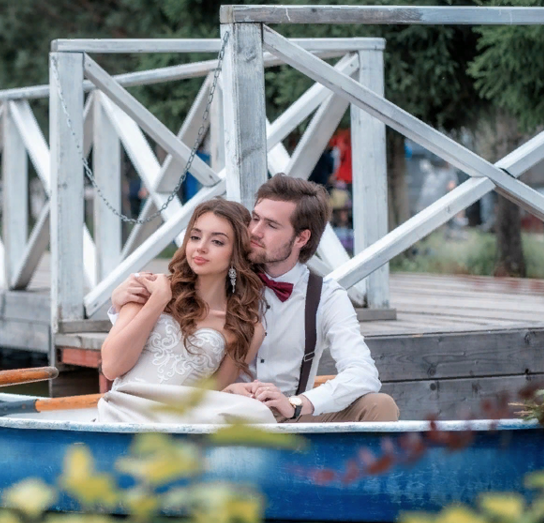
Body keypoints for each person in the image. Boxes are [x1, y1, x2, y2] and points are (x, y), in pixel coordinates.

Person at [111, 175, 398, 423]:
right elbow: (169, 325)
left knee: (379, 405)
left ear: (301, 238)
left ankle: (347, 485)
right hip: (225, 410)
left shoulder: (325, 296)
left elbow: (362, 372)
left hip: (287, 414)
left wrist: (298, 404)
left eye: (271, 226)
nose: (255, 232)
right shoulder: (221, 271)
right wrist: (120, 302)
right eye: (255, 219)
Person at [96, 198, 274, 425]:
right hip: (123, 412)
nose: (201, 247)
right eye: (195, 237)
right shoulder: (149, 288)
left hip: (176, 424)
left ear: (235, 253)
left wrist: (234, 392)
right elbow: (111, 367)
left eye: (217, 242)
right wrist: (158, 302)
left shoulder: (247, 329)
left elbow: (212, 396)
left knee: (258, 414)